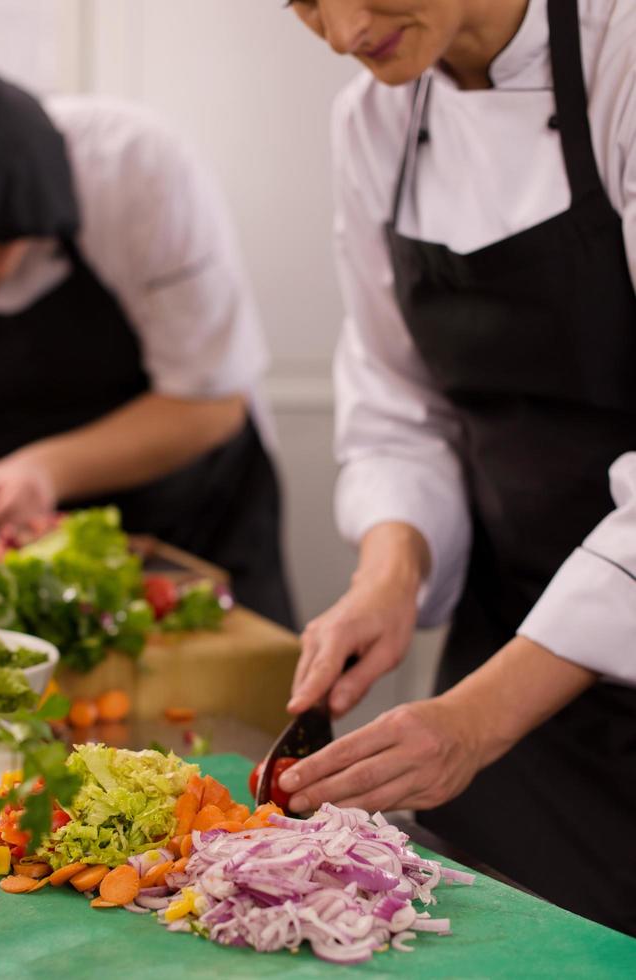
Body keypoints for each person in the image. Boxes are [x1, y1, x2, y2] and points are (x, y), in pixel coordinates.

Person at [277, 0, 636, 933]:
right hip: (503, 626)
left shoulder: (625, 60)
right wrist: (388, 576)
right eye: (301, 2)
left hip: (532, 674)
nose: (346, 31)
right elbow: (401, 405)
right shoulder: (371, 118)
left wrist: (479, 720)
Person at [0, 71, 294, 628]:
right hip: (27, 554)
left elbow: (211, 403)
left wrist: (41, 470)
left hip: (190, 519)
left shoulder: (134, 168)